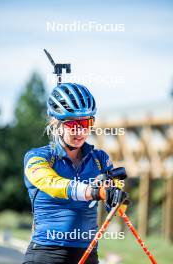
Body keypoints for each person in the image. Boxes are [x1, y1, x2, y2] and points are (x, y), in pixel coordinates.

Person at [23, 82, 128, 264]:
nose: (80, 131)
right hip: (47, 253)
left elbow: (118, 209)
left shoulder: (100, 159)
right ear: (56, 124)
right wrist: (93, 191)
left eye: (86, 123)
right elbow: (53, 184)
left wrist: (117, 197)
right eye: (72, 124)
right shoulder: (37, 157)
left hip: (88, 253)